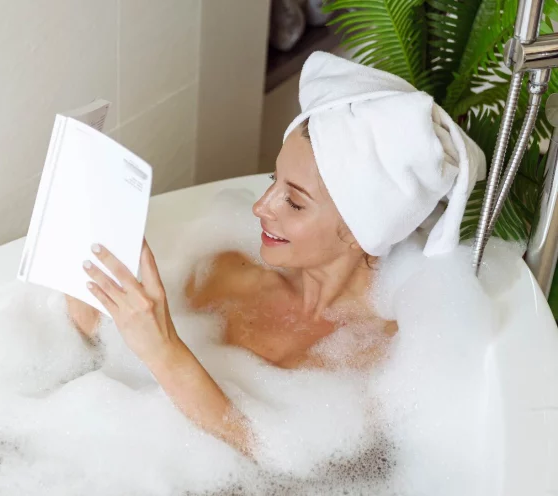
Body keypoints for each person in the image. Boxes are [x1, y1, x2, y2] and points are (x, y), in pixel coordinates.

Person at [65, 52, 487, 457]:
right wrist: (82, 273)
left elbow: (285, 465)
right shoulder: (225, 269)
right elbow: (101, 363)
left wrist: (164, 350)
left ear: (363, 233)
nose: (261, 206)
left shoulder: (382, 356)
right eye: (274, 179)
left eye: (295, 202)